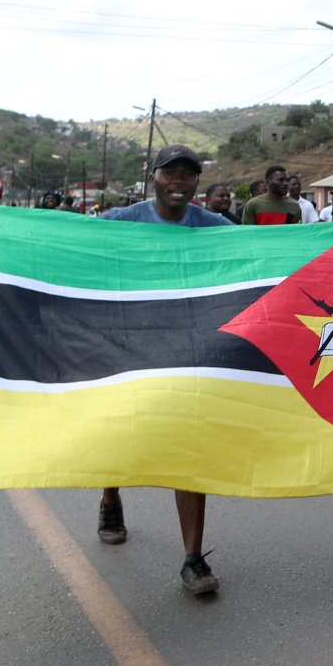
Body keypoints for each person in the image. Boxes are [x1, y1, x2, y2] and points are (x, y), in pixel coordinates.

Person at [97, 144, 234, 594]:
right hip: (129, 347)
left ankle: (193, 559)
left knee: (190, 448)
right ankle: (110, 497)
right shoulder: (122, 221)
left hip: (189, 351)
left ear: (196, 183)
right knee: (119, 434)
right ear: (152, 178)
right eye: (169, 172)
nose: (179, 180)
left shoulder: (213, 226)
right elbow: (66, 243)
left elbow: (261, 254)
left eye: (188, 174)